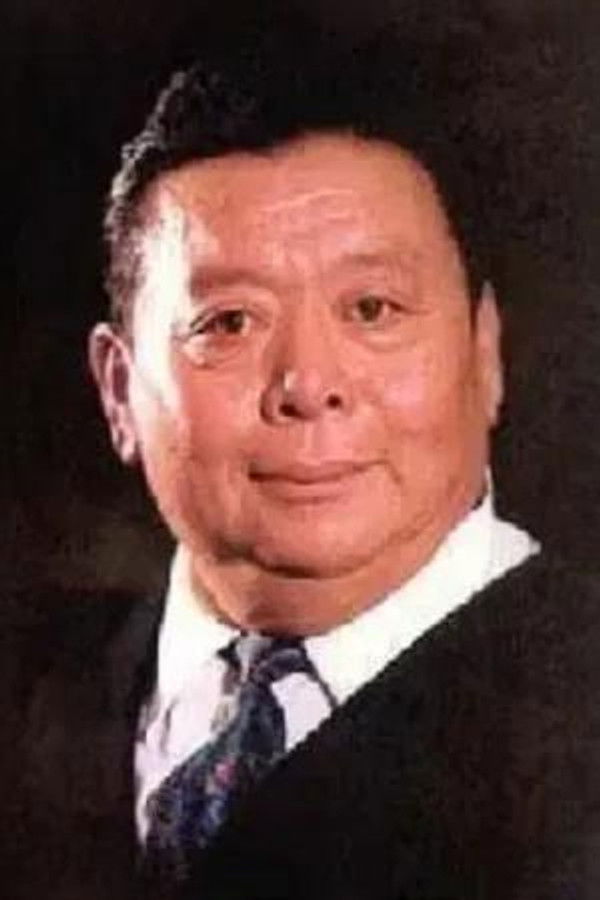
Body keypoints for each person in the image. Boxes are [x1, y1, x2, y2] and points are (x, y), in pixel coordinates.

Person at [3, 29, 600, 900]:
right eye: (228, 323)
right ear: (118, 389)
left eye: (373, 308)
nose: (309, 385)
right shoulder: (35, 699)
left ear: (485, 352)